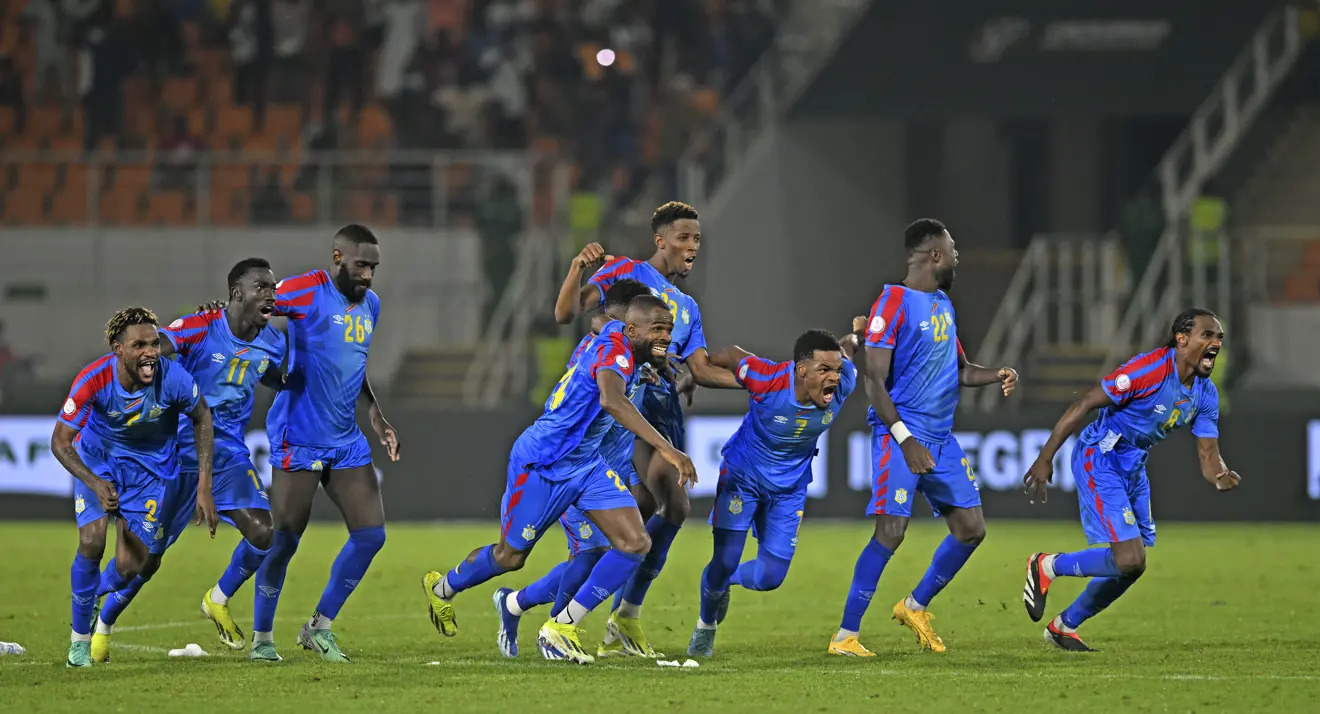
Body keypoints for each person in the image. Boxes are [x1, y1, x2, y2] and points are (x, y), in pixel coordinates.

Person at [422, 295, 698, 665]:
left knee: (634, 543)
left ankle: (560, 628)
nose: (666, 336)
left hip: (586, 465)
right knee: (510, 557)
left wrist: (654, 362)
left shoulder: (621, 335)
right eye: (658, 329)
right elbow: (612, 401)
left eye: (668, 328)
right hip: (543, 463)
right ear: (632, 329)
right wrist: (668, 450)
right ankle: (443, 588)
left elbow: (600, 322)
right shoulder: (615, 352)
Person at [552, 200, 739, 657]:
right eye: (684, 237)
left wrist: (766, 384)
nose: (692, 246)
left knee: (670, 507)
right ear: (661, 240)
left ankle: (620, 616)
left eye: (697, 238)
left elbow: (699, 367)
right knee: (637, 515)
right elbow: (566, 312)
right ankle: (555, 615)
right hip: (621, 403)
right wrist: (578, 266)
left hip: (663, 407)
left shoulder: (689, 308)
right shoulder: (625, 272)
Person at [829, 219, 1018, 657]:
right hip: (902, 435)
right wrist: (905, 439)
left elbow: (961, 370)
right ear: (934, 254)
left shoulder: (943, 305)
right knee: (891, 531)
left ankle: (914, 605)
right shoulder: (892, 302)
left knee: (971, 528)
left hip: (940, 437)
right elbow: (873, 382)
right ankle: (845, 636)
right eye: (953, 250)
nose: (957, 257)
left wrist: (997, 375)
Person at [1022, 308, 1238, 651]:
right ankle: (1047, 564)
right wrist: (1045, 458)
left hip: (1134, 464)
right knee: (1129, 558)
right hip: (1101, 456)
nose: (1216, 343)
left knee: (1132, 567)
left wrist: (1221, 475)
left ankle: (1064, 626)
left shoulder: (1205, 394)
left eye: (1219, 338)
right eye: (1207, 335)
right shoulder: (1149, 369)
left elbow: (1209, 456)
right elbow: (1087, 402)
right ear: (1182, 339)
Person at [250, 224, 401, 663]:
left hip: (345, 440)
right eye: (361, 265)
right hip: (298, 436)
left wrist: (376, 416)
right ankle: (262, 639)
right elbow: (253, 308)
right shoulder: (306, 290)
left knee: (371, 535)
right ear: (338, 258)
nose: (369, 275)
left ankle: (319, 627)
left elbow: (353, 365)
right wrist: (264, 366)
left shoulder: (370, 305)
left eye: (373, 267)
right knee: (285, 540)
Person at [492, 278, 654, 658]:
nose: (660, 332)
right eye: (652, 323)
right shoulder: (602, 350)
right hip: (570, 465)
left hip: (605, 469)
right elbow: (586, 327)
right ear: (625, 320)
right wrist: (578, 268)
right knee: (588, 556)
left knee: (609, 553)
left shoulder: (634, 355)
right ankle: (557, 631)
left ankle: (517, 606)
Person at [688, 319, 865, 657]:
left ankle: (725, 582)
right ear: (801, 370)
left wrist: (856, 335)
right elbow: (733, 355)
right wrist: (698, 371)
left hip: (790, 487)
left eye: (836, 370)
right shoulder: (767, 378)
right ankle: (705, 627)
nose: (834, 377)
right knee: (723, 560)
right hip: (743, 478)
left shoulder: (845, 383)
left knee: (771, 577)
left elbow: (846, 351)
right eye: (823, 369)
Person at [51, 307, 215, 667]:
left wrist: (204, 483)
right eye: (139, 345)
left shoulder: (173, 378)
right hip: (99, 463)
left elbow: (202, 417)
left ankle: (90, 595)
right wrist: (94, 482)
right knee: (92, 542)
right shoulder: (93, 379)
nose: (151, 353)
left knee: (130, 566)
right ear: (118, 349)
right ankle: (80, 643)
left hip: (151, 474)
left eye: (155, 344)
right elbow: (61, 441)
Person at [157, 258, 287, 651]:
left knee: (264, 531)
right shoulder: (201, 326)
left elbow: (276, 374)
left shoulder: (273, 341)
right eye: (261, 287)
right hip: (176, 449)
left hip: (227, 449)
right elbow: (156, 349)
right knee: (144, 558)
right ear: (236, 294)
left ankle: (218, 598)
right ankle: (96, 616)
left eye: (274, 287)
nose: (271, 294)